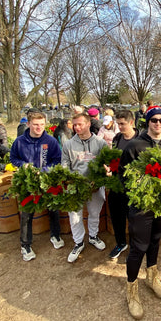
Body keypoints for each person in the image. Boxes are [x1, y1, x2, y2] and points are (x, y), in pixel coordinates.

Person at [119, 106, 161, 319]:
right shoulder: (135, 146)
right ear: (147, 122)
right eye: (154, 120)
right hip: (141, 207)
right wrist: (137, 195)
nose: (158, 124)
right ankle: (131, 290)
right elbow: (124, 176)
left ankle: (152, 276)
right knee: (139, 247)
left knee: (155, 241)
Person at [10, 111, 64, 261]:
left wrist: (45, 170)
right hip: (27, 183)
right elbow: (13, 158)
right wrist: (24, 166)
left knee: (53, 209)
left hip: (47, 181)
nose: (38, 127)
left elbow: (57, 159)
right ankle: (25, 245)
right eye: (35, 124)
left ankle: (55, 235)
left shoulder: (51, 141)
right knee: (27, 213)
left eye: (41, 124)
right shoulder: (19, 141)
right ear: (28, 124)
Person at [61, 113, 108, 263]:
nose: (77, 127)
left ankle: (93, 236)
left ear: (88, 124)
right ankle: (78, 242)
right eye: (74, 125)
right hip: (75, 187)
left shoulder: (100, 143)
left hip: (95, 186)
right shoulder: (68, 144)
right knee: (75, 216)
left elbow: (107, 163)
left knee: (94, 213)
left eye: (80, 124)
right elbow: (64, 165)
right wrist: (70, 180)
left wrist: (100, 178)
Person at [108, 110, 139, 260]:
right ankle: (121, 243)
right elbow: (114, 160)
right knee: (116, 216)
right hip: (117, 185)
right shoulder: (117, 138)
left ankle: (134, 247)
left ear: (131, 122)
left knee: (133, 218)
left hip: (134, 187)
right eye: (118, 123)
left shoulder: (142, 139)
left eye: (123, 124)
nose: (119, 127)